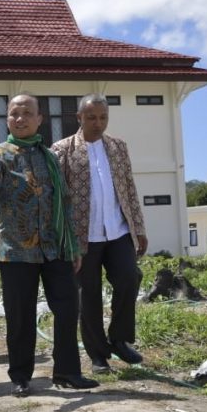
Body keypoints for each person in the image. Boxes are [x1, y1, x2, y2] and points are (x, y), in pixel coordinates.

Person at [0, 94, 96, 395]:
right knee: (20, 315)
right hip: (15, 250)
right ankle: (20, 376)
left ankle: (67, 372)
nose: (21, 118)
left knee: (68, 308)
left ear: (39, 119)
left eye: (27, 113)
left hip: (54, 248)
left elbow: (64, 202)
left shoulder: (50, 156)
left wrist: (72, 245)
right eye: (14, 113)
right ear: (7, 119)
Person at [52, 93, 148, 373]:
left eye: (103, 117)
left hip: (118, 230)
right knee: (89, 295)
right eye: (92, 117)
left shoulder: (117, 147)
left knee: (129, 277)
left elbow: (129, 188)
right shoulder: (62, 150)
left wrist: (138, 228)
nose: (98, 123)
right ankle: (97, 355)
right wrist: (64, 240)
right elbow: (57, 198)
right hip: (83, 237)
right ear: (79, 117)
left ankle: (119, 339)